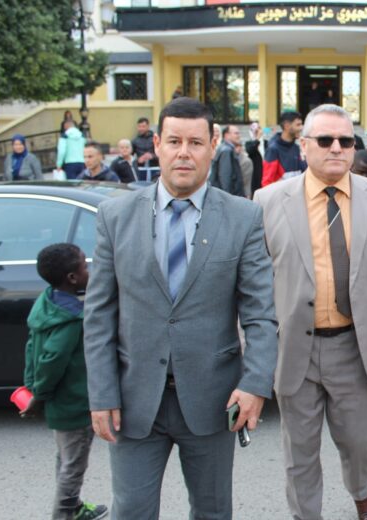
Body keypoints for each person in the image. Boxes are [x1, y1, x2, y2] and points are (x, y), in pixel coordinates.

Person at [83, 97, 278, 519]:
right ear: (157, 144)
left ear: (213, 146)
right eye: (174, 141)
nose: (184, 153)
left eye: (195, 142)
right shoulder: (115, 216)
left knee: (212, 511)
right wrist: (101, 393)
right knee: (131, 511)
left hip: (212, 398)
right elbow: (98, 315)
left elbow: (260, 313)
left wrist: (256, 383)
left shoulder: (243, 217)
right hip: (134, 400)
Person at [254, 104, 367, 520]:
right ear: (304, 146)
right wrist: (254, 353)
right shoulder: (267, 202)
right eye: (325, 140)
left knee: (360, 442)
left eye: (346, 140)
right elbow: (253, 286)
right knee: (299, 451)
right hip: (295, 348)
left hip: (357, 346)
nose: (337, 148)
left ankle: (361, 491)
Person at [23, 243, 108, 520]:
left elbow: (32, 348)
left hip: (59, 403)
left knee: (65, 459)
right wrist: (40, 395)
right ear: (72, 277)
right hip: (73, 404)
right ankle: (63, 515)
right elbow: (53, 359)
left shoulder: (47, 302)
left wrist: (32, 385)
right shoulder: (71, 320)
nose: (89, 270)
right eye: (85, 266)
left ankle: (75, 507)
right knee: (73, 467)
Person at [262, 111, 307, 186]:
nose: (301, 128)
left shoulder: (296, 147)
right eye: (298, 125)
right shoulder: (273, 149)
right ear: (287, 126)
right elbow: (267, 181)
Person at [210, 124, 245, 196]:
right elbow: (225, 179)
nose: (239, 136)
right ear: (227, 135)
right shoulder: (226, 151)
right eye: (236, 133)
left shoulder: (226, 149)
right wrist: (227, 198)